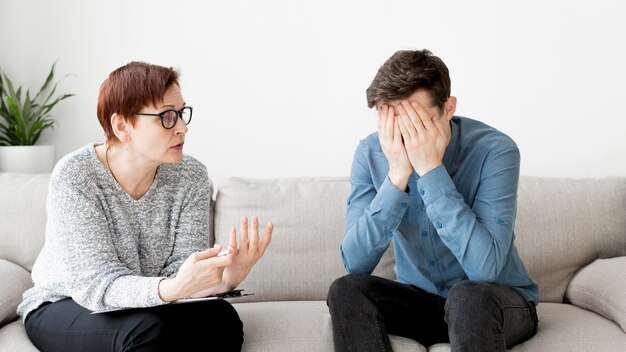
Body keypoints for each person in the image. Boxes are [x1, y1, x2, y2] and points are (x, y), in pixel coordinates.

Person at [17, 61, 273, 352]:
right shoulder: (76, 176)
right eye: (166, 116)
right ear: (122, 126)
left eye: (181, 114)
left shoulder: (191, 176)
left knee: (221, 319)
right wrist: (172, 288)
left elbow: (181, 271)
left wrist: (226, 279)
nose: (182, 128)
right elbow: (97, 285)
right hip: (65, 302)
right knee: (147, 331)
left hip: (149, 304)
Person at [327, 49, 539, 352]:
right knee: (346, 290)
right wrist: (397, 176)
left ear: (448, 108)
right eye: (392, 121)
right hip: (421, 301)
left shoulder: (496, 151)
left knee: (469, 297)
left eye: (417, 122)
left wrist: (430, 170)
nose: (405, 135)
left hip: (493, 301)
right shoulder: (371, 153)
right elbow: (355, 262)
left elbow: (484, 269)